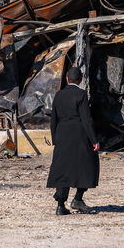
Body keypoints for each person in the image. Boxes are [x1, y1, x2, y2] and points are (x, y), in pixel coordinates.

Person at [46, 67, 100, 215]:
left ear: (67, 79)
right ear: (81, 80)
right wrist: (94, 140)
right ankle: (78, 199)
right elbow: (86, 119)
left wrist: (55, 138)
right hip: (79, 135)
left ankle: (60, 205)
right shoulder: (81, 94)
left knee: (63, 169)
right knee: (86, 165)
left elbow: (53, 120)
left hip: (62, 135)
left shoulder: (58, 95)